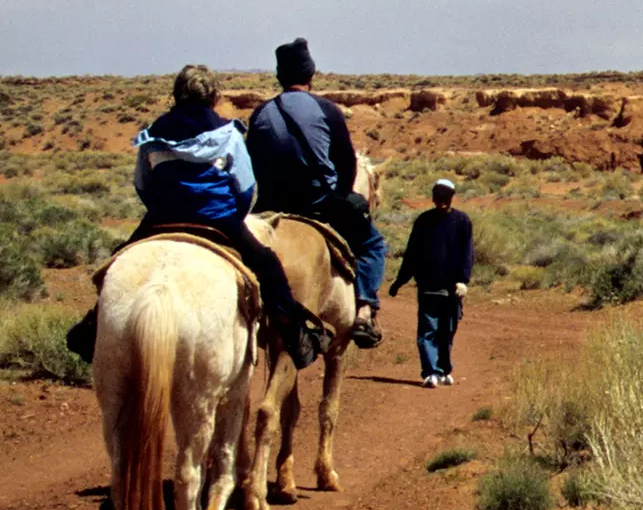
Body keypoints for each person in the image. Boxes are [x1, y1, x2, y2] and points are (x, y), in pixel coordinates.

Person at [67, 65, 327, 367]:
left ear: (176, 95)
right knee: (268, 265)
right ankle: (294, 334)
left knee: (117, 262)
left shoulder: (153, 134)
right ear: (214, 97)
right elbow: (245, 188)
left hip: (161, 218)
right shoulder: (227, 133)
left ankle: (92, 328)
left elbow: (143, 184)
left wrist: (161, 207)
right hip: (219, 219)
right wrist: (233, 214)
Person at [245, 38, 387, 348]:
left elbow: (252, 161)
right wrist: (339, 195)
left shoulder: (260, 114)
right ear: (311, 74)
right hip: (320, 205)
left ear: (279, 76)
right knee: (372, 243)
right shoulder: (327, 111)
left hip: (270, 206)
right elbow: (346, 163)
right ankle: (364, 310)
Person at [387, 179, 473, 389]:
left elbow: (467, 253)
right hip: (428, 285)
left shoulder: (462, 221)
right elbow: (412, 255)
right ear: (434, 197)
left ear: (451, 197)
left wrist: (463, 280)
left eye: (444, 197)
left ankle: (443, 370)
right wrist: (399, 281)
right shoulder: (423, 221)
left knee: (447, 329)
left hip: (452, 288)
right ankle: (431, 372)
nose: (441, 201)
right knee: (428, 329)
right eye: (438, 196)